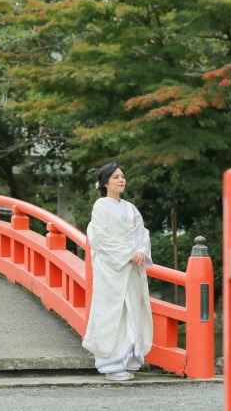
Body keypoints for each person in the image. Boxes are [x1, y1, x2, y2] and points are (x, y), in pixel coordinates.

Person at [82, 162, 153, 381]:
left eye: (122, 176)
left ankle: (128, 360)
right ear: (104, 183)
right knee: (115, 313)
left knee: (132, 310)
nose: (121, 180)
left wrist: (140, 250)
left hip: (130, 268)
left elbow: (142, 233)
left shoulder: (130, 207)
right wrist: (128, 253)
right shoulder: (101, 206)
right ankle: (110, 364)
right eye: (115, 177)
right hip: (113, 268)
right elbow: (100, 237)